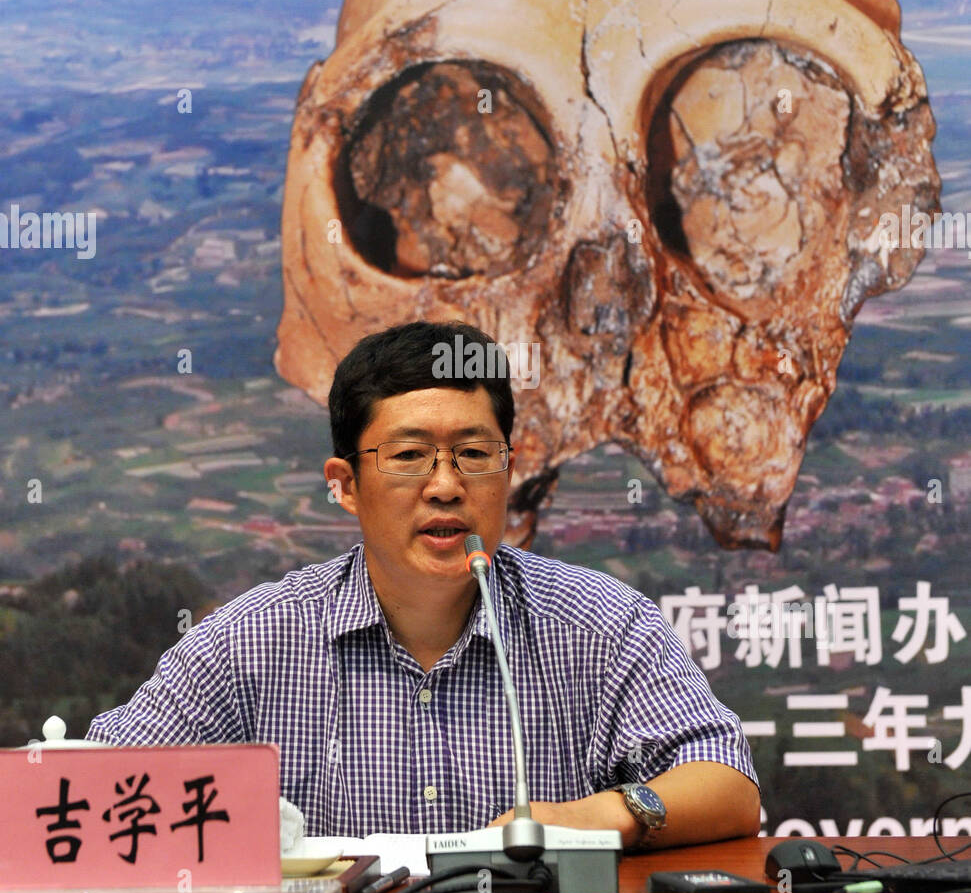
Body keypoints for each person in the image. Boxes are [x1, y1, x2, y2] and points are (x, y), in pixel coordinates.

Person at [87, 321, 760, 849]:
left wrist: (602, 816)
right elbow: (95, 784)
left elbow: (727, 784)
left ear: (509, 469)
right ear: (345, 485)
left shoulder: (600, 623)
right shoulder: (253, 639)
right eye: (408, 457)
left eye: (473, 454)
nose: (444, 486)